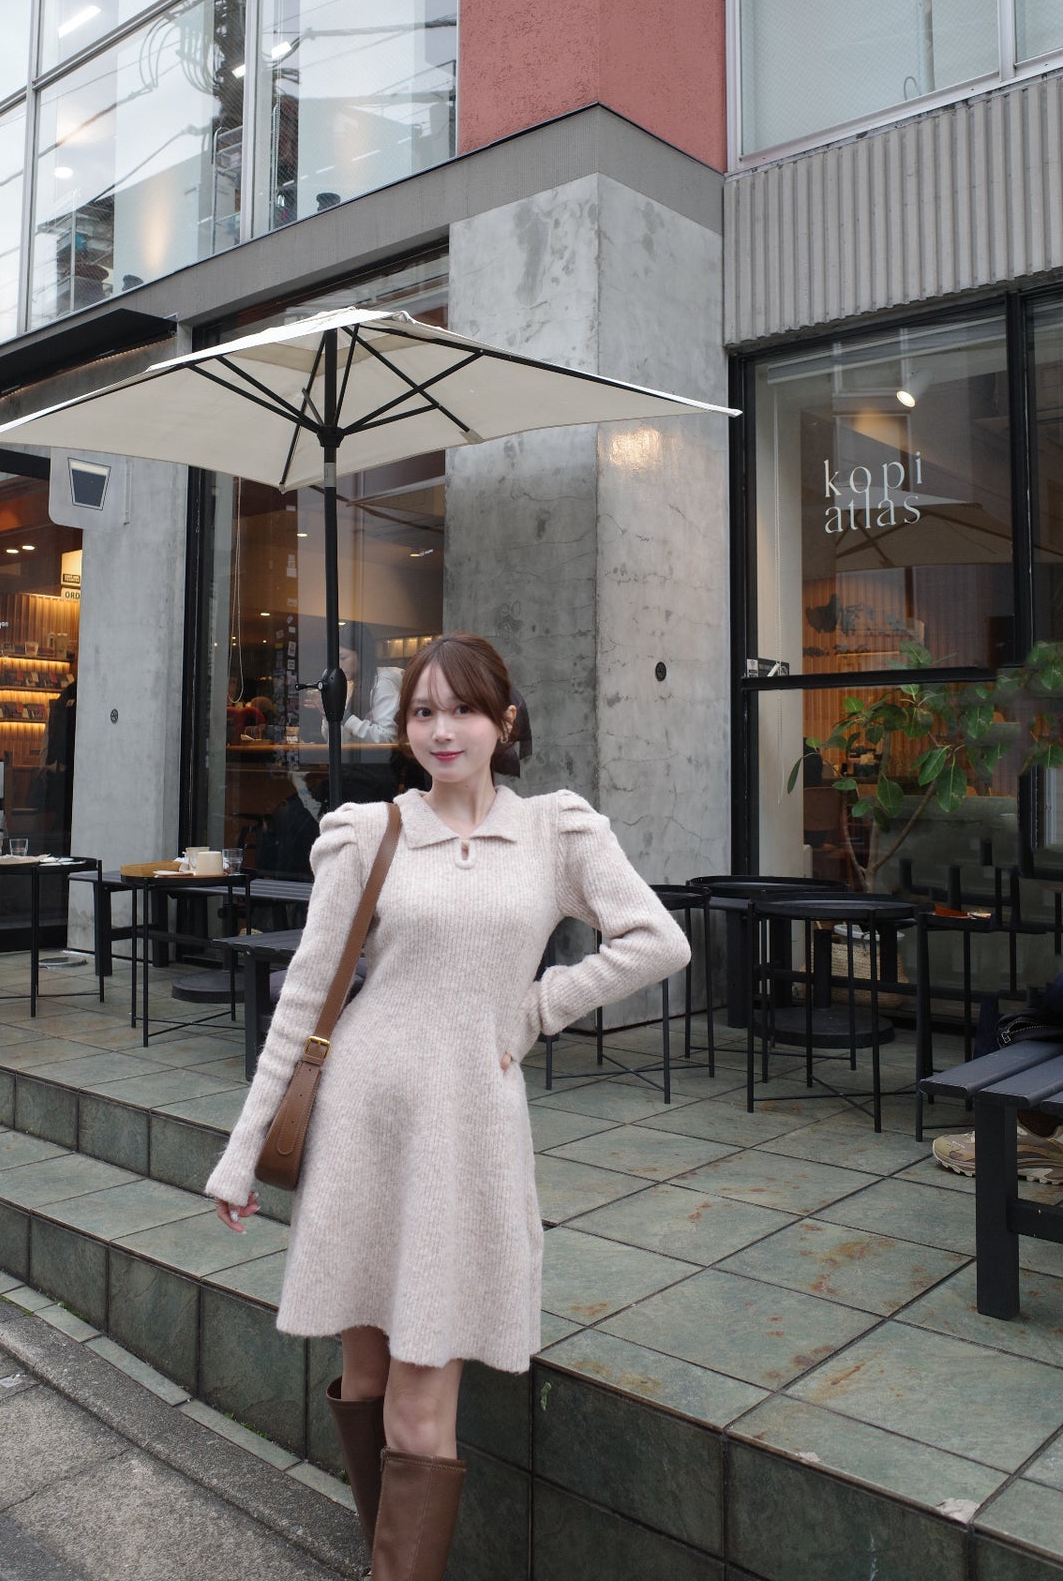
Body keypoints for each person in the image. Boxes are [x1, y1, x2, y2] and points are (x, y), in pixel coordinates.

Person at [206, 632, 689, 1579]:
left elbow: (655, 940)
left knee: (421, 1407)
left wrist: (535, 1010)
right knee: (368, 1376)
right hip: (360, 1120)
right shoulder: (368, 833)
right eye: (422, 712)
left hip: (466, 1130)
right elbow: (305, 999)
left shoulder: (556, 831)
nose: (441, 730)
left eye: (461, 709)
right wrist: (242, 1148)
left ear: (503, 720)